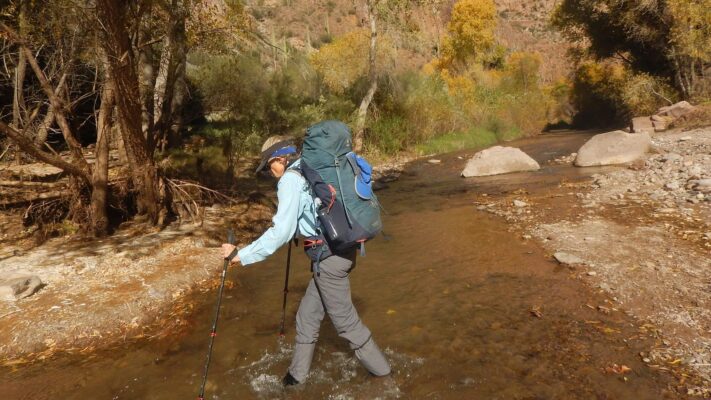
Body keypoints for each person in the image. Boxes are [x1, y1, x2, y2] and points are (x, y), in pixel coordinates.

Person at [221, 136, 391, 386]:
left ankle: (385, 377)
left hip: (329, 261)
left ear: (280, 159)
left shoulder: (291, 179)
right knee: (307, 317)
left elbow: (280, 232)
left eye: (270, 165)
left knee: (346, 324)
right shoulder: (308, 166)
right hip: (341, 252)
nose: (271, 171)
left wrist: (240, 256)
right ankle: (295, 378)